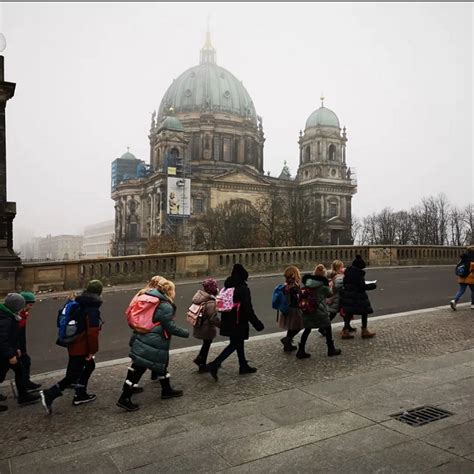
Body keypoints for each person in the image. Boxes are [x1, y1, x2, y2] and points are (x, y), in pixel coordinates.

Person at [117, 277, 189, 412]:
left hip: (144, 336)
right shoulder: (165, 305)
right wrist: (185, 333)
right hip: (153, 340)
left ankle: (166, 390)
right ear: (169, 291)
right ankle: (125, 398)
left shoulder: (149, 297)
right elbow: (169, 326)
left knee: (156, 366)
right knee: (140, 368)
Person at [40, 280, 104, 414]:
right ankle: (50, 394)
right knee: (72, 376)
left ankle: (80, 393)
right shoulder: (92, 308)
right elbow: (92, 332)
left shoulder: (80, 301)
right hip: (81, 345)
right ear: (99, 292)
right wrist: (92, 351)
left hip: (73, 342)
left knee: (87, 367)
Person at [205, 264, 265, 381]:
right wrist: (256, 323)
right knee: (235, 344)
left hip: (228, 319)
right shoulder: (243, 289)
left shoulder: (228, 287)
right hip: (238, 321)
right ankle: (215, 364)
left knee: (238, 342)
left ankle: (243, 365)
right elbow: (248, 309)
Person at [0, 293, 41, 409]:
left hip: (7, 351)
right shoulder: (5, 319)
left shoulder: (8, 316)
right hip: (4, 353)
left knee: (20, 369)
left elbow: (11, 336)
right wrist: (10, 354)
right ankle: (23, 396)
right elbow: (2, 339)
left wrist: (16, 348)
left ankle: (23, 395)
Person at [297, 265, 341, 359]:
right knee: (328, 328)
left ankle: (300, 350)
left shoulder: (307, 284)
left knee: (307, 330)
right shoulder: (323, 287)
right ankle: (331, 349)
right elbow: (330, 294)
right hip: (320, 312)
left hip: (307, 311)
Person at [340, 255, 376, 338]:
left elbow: (345, 283)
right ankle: (364, 330)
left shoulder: (347, 272)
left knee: (348, 312)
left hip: (348, 295)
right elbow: (362, 286)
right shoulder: (358, 274)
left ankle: (345, 331)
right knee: (364, 312)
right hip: (358, 296)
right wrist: (373, 285)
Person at [191, 278, 220, 372]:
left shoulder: (200, 297)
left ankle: (201, 361)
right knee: (207, 344)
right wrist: (222, 325)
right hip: (207, 327)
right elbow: (213, 318)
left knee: (206, 344)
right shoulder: (210, 302)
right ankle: (201, 363)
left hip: (200, 325)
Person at [17, 291, 41, 391]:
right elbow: (15, 333)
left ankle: (26, 383)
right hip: (15, 347)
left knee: (25, 362)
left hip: (19, 346)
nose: (31, 307)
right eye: (30, 305)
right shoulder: (18, 316)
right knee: (20, 366)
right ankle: (23, 390)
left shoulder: (22, 313)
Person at [325, 260, 356, 337]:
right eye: (342, 267)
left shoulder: (336, 275)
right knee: (336, 313)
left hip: (337, 297)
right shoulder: (338, 276)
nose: (343, 268)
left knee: (340, 313)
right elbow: (340, 286)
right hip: (337, 297)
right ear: (338, 268)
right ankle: (323, 327)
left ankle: (347, 326)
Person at [278, 266, 304, 352]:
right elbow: (298, 297)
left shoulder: (286, 284)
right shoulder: (294, 285)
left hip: (287, 308)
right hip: (294, 309)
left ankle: (287, 345)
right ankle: (287, 339)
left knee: (291, 327)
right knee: (299, 326)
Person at [450, 246, 474, 310]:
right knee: (473, 291)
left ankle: (454, 301)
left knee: (461, 290)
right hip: (471, 277)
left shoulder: (463, 258)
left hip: (462, 276)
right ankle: (472, 304)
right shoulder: (472, 258)